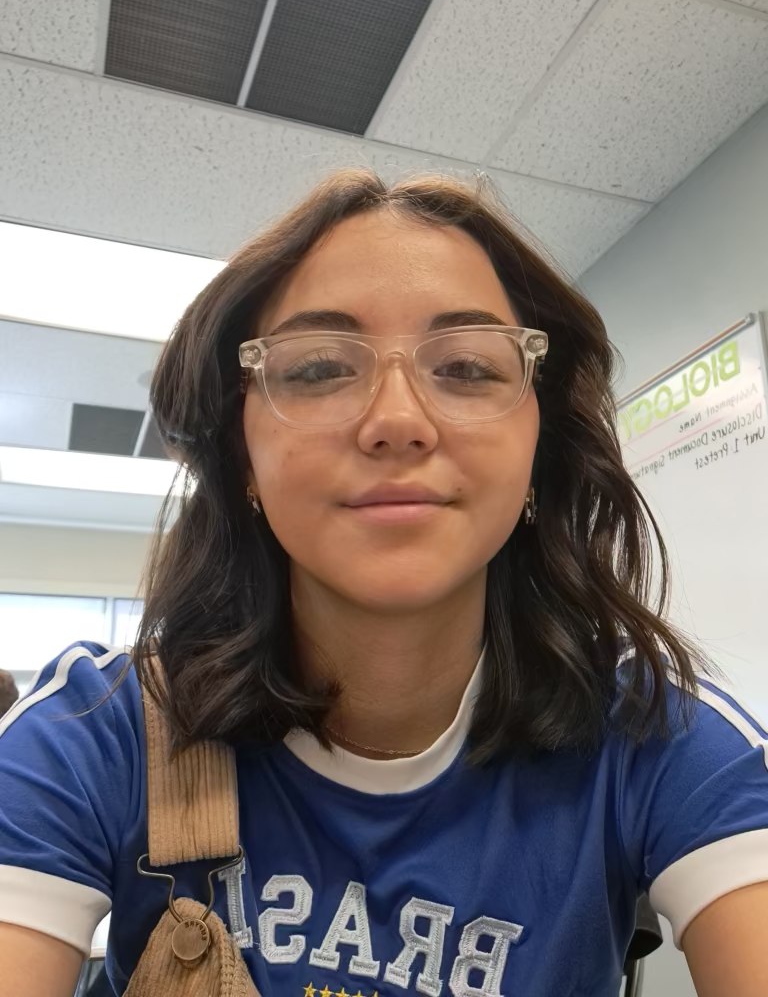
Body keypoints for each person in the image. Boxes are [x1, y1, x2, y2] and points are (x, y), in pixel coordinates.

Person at [0, 170, 766, 997]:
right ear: (242, 455)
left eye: (467, 367)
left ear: (538, 451)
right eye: (319, 369)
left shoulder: (655, 739)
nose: (398, 421)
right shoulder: (93, 736)